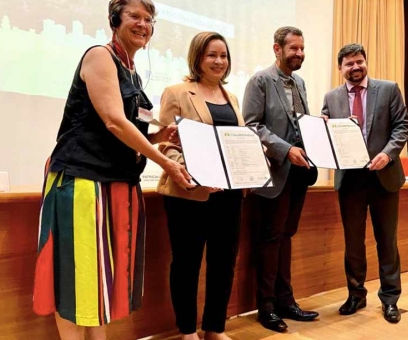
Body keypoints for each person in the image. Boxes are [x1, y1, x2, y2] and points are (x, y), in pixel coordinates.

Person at [32, 1, 194, 339]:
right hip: (81, 182)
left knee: (99, 281)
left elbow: (126, 128)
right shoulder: (99, 56)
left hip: (114, 184)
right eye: (134, 16)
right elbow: (113, 121)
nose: (143, 24)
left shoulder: (131, 70)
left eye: (149, 19)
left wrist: (159, 136)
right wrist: (165, 160)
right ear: (113, 19)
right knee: (76, 281)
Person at [155, 32, 244, 340]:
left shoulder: (231, 97)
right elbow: (164, 144)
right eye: (212, 55)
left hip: (229, 195)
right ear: (197, 58)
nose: (219, 61)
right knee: (186, 264)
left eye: (224, 55)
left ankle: (214, 328)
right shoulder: (177, 92)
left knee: (224, 263)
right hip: (188, 194)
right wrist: (195, 171)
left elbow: (235, 143)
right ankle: (187, 331)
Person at [321, 43, 408, 323]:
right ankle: (356, 295)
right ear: (340, 68)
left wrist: (387, 154)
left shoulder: (388, 89)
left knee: (387, 240)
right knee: (354, 243)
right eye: (349, 64)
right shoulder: (331, 97)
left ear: (365, 62)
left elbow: (402, 125)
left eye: (359, 61)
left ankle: (390, 299)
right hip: (350, 180)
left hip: (384, 176)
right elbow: (325, 133)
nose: (355, 67)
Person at [242, 26, 319, 333]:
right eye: (293, 49)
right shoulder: (260, 80)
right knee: (270, 240)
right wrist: (286, 151)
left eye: (302, 48)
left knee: (285, 237)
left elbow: (301, 125)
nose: (299, 53)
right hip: (272, 175)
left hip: (299, 175)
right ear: (277, 49)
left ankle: (287, 302)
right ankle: (267, 308)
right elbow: (252, 125)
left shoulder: (299, 82)